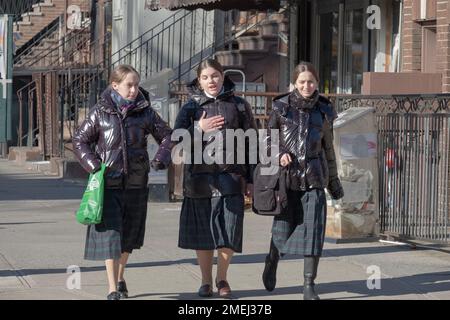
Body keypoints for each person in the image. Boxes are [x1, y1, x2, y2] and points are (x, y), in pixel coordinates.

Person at [73, 64, 173, 300]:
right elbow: (80, 141)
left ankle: (120, 275)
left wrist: (161, 158)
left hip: (137, 182)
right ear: (115, 85)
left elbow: (168, 135)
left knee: (129, 237)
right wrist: (94, 166)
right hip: (109, 183)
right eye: (129, 84)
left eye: (137, 84)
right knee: (111, 236)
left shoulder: (145, 112)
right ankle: (112, 288)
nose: (134, 89)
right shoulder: (100, 112)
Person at [261, 61, 344, 300]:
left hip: (315, 178)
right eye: (302, 82)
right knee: (282, 229)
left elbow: (329, 148)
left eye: (311, 81)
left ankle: (309, 284)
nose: (307, 86)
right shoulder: (280, 107)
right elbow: (268, 141)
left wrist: (334, 181)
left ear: (317, 83)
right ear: (294, 84)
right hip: (287, 180)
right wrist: (279, 154)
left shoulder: (325, 110)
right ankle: (272, 258)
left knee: (314, 231)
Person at [173, 59, 256, 298]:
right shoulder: (190, 108)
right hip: (200, 179)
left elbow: (251, 144)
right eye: (206, 77)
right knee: (204, 234)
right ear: (199, 81)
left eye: (216, 76)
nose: (212, 81)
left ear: (223, 76)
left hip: (231, 176)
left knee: (228, 231)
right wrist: (198, 128)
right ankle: (206, 280)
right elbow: (176, 141)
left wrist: (250, 178)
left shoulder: (239, 105)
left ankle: (222, 278)